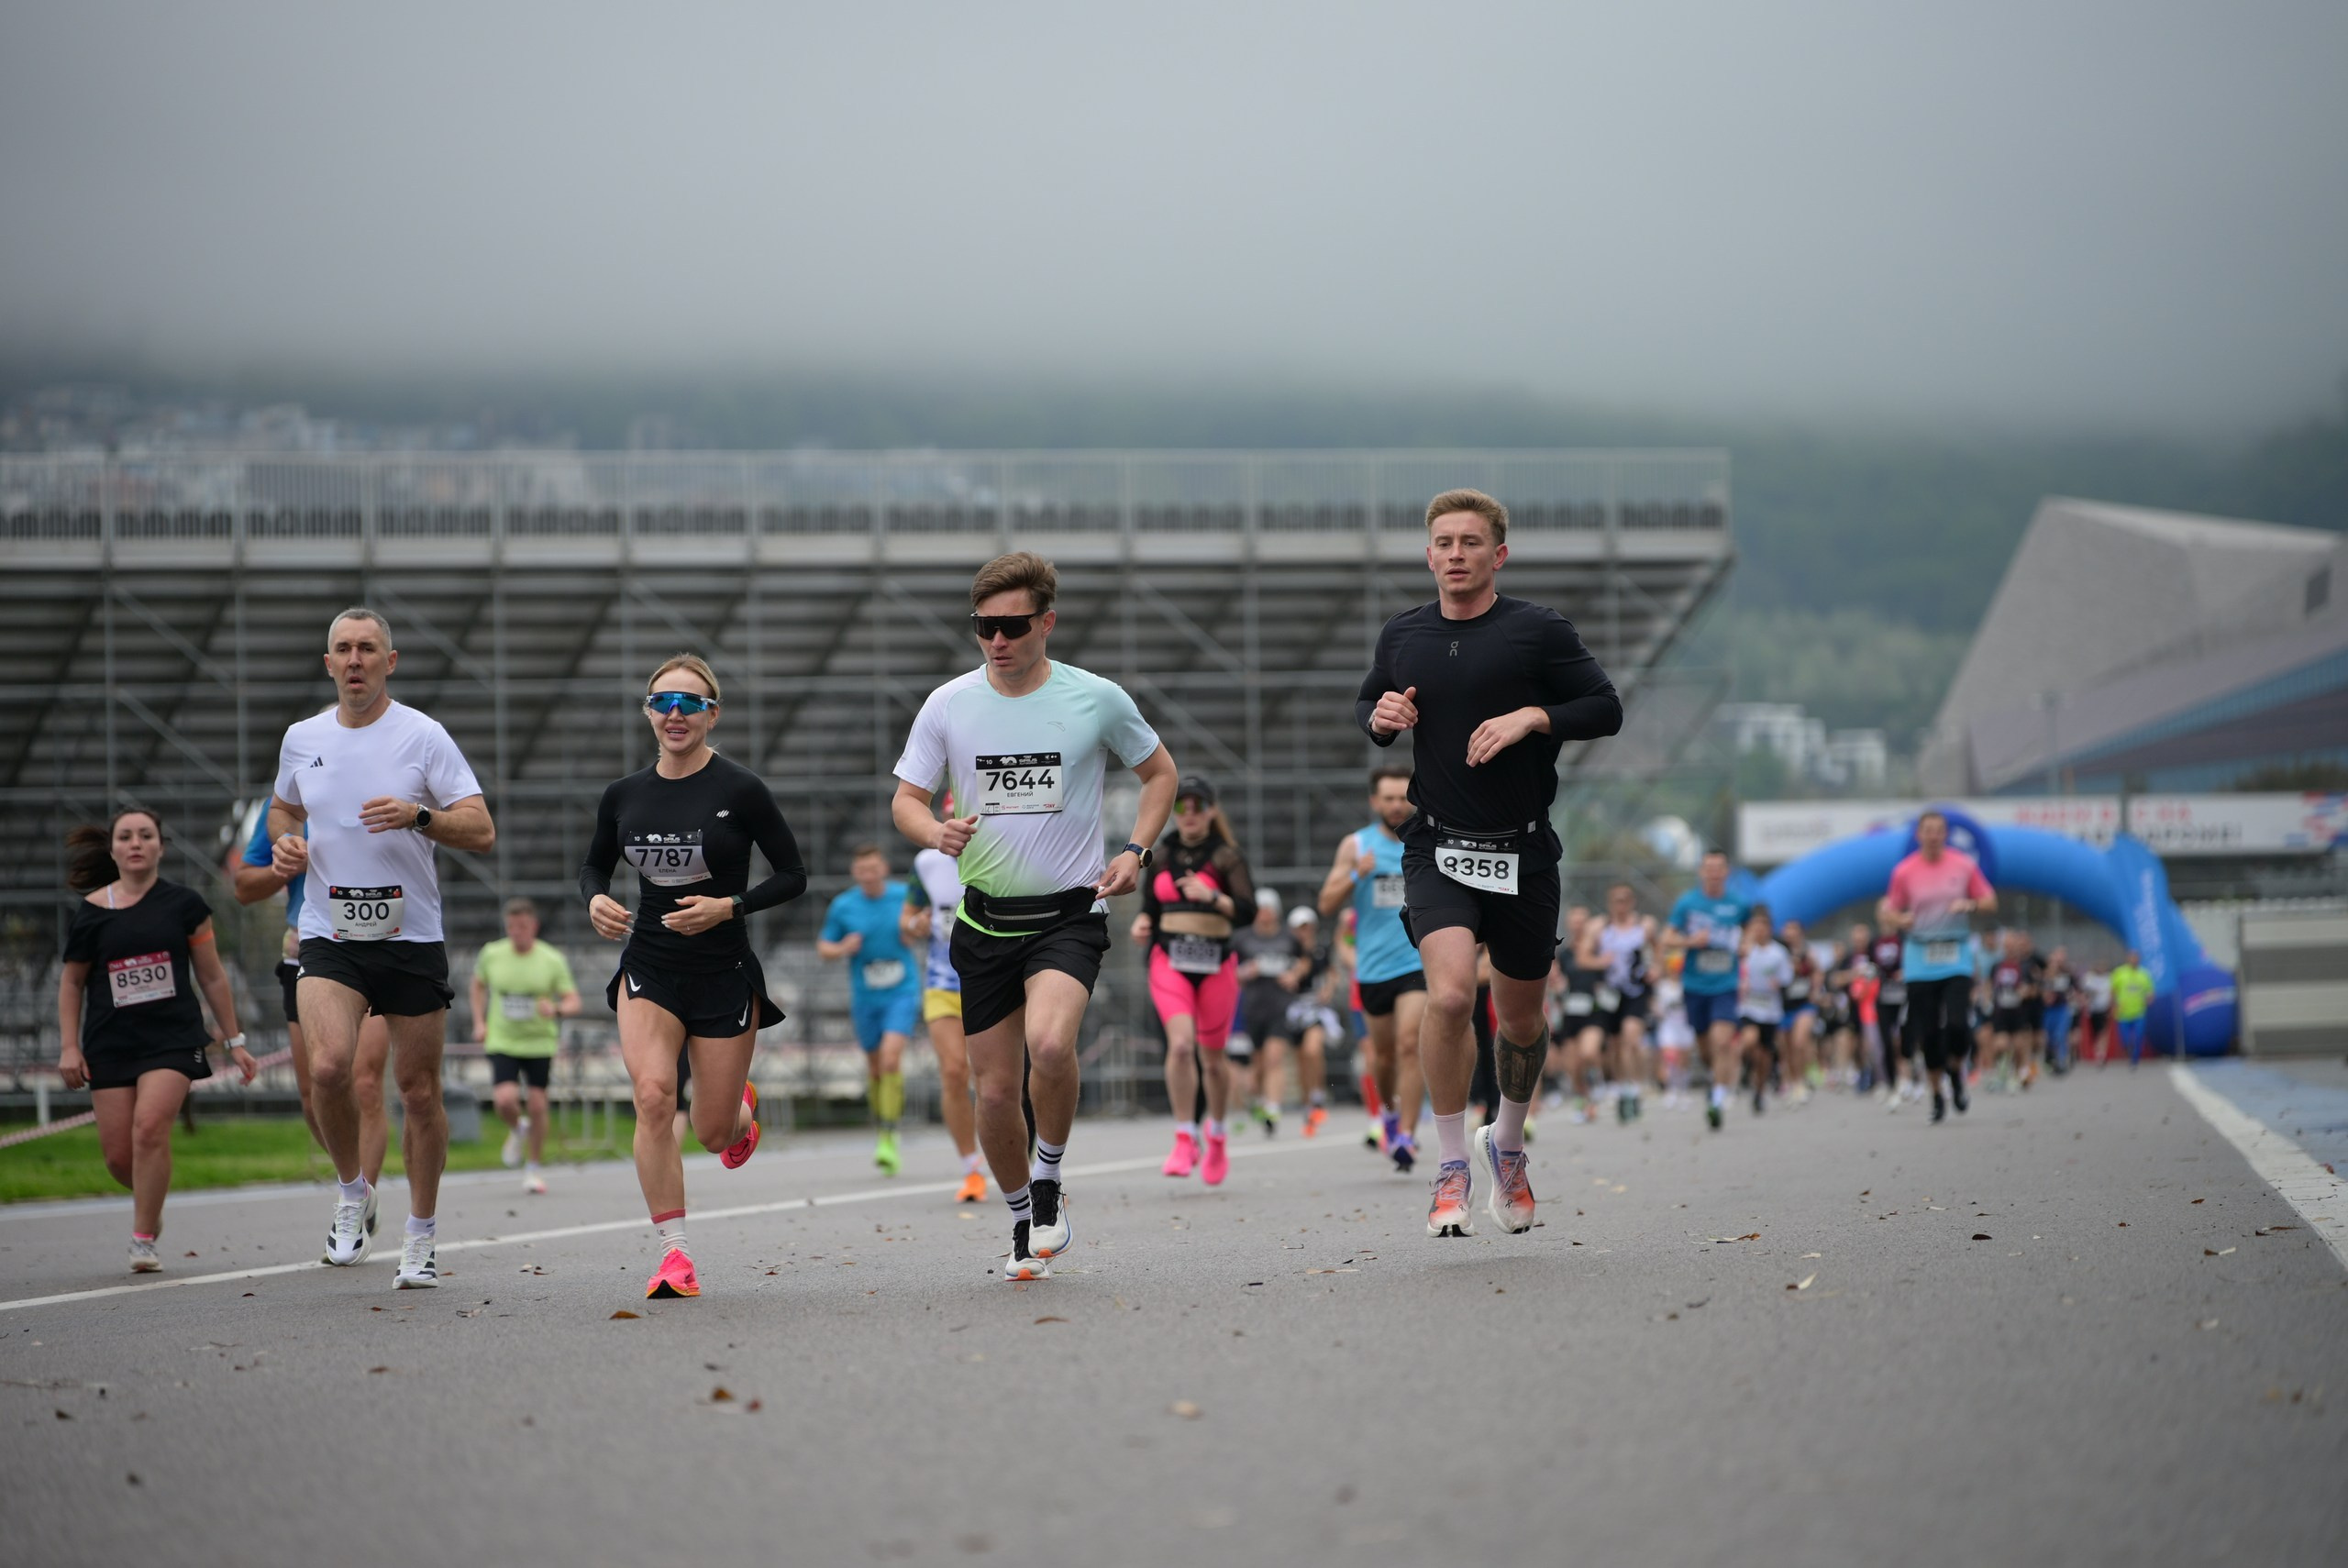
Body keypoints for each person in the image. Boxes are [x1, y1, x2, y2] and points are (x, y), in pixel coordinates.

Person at [892, 551, 1176, 1282]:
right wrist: (936, 833)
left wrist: (1137, 851)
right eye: (984, 626)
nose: (997, 640)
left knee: (1049, 1049)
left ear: (1046, 622)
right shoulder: (948, 703)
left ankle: (1048, 1178)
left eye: (1013, 625)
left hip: (1068, 916)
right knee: (991, 1091)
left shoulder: (1097, 698)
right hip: (984, 922)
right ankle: (1022, 1217)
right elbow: (906, 801)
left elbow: (1160, 774)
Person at [1357, 488, 1623, 1239]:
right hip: (1437, 844)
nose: (1455, 555)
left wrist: (1534, 716)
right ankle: (1450, 1165)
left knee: (1522, 1020)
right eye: (1443, 542)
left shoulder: (1536, 632)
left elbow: (1605, 707)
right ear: (1428, 553)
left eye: (1471, 543)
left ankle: (1506, 1143)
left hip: (1524, 850)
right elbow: (1370, 706)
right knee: (1446, 998)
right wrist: (1380, 718)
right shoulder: (1403, 634)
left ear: (1497, 554)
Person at [270, 607, 494, 1288]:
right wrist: (286, 839)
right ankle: (352, 1193)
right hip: (329, 933)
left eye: (369, 648)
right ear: (329, 663)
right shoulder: (301, 738)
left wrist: (419, 815)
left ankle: (421, 1236)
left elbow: (481, 830)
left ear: (389, 662)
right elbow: (283, 806)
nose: (357, 659)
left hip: (410, 937)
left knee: (417, 1092)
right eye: (344, 648)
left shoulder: (422, 736)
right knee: (330, 1069)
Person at [582, 653, 807, 1299]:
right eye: (663, 703)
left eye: (690, 703)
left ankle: (740, 1113)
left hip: (724, 973)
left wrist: (728, 905)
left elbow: (793, 875)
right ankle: (673, 1255)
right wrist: (594, 899)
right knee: (653, 1097)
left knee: (711, 1132)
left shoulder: (740, 791)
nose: (675, 715)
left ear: (714, 713)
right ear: (648, 713)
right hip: (650, 966)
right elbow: (593, 867)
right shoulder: (624, 794)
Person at [58, 808, 257, 1271]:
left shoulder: (184, 905)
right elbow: (70, 984)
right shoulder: (90, 913)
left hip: (172, 1039)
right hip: (109, 1043)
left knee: (149, 1128)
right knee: (118, 1157)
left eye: (146, 835)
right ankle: (152, 1205)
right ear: (113, 849)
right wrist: (70, 1046)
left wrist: (235, 1040)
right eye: (125, 836)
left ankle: (143, 1238)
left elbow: (212, 978)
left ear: (160, 847)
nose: (136, 843)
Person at [232, 801, 393, 1218]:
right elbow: (244, 886)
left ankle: (357, 1209)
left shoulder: (386, 785)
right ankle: (355, 1183)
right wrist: (284, 867)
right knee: (317, 1088)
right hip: (307, 951)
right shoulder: (283, 805)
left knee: (367, 1083)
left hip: (378, 946)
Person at [1132, 774, 1253, 1185]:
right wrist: (1144, 922)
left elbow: (1248, 911)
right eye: (1181, 807)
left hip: (1217, 963)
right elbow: (1148, 904)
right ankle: (1185, 1136)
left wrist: (1213, 897)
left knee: (1213, 1060)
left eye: (1197, 807)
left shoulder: (1226, 857)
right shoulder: (1161, 854)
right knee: (1181, 1045)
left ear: (1211, 811)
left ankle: (1216, 1135)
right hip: (1170, 960)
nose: (1189, 815)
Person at [1316, 765, 1428, 1171]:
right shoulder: (1356, 845)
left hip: (1415, 961)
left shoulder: (1426, 840)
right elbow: (1326, 905)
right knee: (1381, 1058)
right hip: (1372, 968)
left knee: (1408, 1045)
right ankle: (1389, 1115)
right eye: (1389, 798)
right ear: (1374, 801)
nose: (1397, 805)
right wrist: (1353, 875)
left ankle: (1408, 1136)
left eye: (1403, 797)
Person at [1880, 810, 1996, 1124]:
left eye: (1938, 830)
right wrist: (1899, 918)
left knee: (1958, 1024)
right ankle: (1935, 1093)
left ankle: (1956, 1071)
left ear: (1946, 834)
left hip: (1955, 951)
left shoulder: (1963, 864)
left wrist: (1969, 904)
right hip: (1919, 955)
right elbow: (1889, 909)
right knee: (1927, 1031)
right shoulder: (1904, 871)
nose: (1933, 836)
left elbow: (1989, 900)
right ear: (1918, 835)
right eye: (1927, 830)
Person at [819, 844, 925, 1176]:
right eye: (862, 869)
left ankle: (891, 1134)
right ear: (855, 873)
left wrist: (913, 931)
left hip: (902, 991)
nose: (869, 874)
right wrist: (842, 948)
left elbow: (922, 922)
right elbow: (823, 947)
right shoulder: (844, 905)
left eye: (874, 868)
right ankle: (882, 1126)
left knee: (892, 1057)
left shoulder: (902, 896)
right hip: (866, 996)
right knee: (876, 1067)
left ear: (884, 868)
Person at [471, 897, 581, 1195]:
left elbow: (573, 1001)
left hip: (538, 1042)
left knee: (538, 1104)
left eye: (522, 926)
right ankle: (518, 1127)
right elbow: (477, 985)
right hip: (503, 1039)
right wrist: (480, 1022)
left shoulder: (551, 959)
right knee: (504, 1100)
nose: (516, 932)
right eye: (511, 927)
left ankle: (533, 1168)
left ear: (534, 926)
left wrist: (556, 1009)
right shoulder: (492, 953)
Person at [905, 819, 987, 1203]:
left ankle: (1040, 1172)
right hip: (943, 981)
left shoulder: (1005, 853)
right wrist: (915, 923)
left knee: (1003, 1079)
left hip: (992, 980)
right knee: (955, 1072)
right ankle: (971, 1168)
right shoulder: (927, 862)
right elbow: (906, 923)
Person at [1663, 850, 1752, 1131]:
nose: (1714, 872)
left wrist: (1746, 943)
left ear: (1726, 872)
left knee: (1722, 1040)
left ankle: (1718, 1097)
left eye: (1719, 868)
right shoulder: (1687, 903)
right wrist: (1691, 941)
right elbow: (1667, 938)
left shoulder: (1738, 903)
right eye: (1709, 868)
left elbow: (1750, 928)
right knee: (1706, 1048)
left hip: (1725, 983)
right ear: (1701, 872)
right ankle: (1717, 1079)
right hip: (1695, 985)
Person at [1231, 889, 1306, 1137]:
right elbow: (1228, 969)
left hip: (1280, 1006)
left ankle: (1273, 1108)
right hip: (1252, 1007)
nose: (1264, 913)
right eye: (1260, 908)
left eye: (1269, 908)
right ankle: (1262, 1102)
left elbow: (1304, 960)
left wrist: (1294, 974)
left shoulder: (1288, 938)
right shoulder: (1242, 939)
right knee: (1259, 1064)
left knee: (1275, 1058)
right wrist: (1244, 972)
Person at [1586, 884, 1656, 1121]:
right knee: (1615, 1044)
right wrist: (1600, 962)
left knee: (1631, 1036)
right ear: (1610, 903)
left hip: (1635, 991)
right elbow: (1582, 957)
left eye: (1625, 900)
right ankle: (1620, 1086)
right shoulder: (1599, 927)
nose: (1621, 905)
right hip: (1611, 993)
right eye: (1616, 900)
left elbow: (1659, 949)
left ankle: (1635, 1086)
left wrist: (1657, 969)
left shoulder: (1644, 926)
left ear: (1632, 902)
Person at [1282, 905, 1341, 1136]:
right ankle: (1309, 1103)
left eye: (1307, 927)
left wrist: (1329, 988)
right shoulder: (1287, 951)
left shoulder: (1320, 949)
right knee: (1301, 1058)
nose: (1303, 932)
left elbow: (1332, 973)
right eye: (1299, 928)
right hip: (1293, 1008)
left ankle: (1317, 1095)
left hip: (1315, 1007)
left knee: (1312, 1049)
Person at [1736, 906, 1793, 1116]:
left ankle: (1759, 1091)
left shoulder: (1778, 953)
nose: (1759, 931)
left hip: (1770, 1009)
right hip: (1749, 1006)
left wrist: (1778, 983)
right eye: (1755, 928)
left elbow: (1787, 978)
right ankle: (1744, 1069)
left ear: (1769, 929)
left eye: (1763, 927)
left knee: (1764, 1055)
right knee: (1749, 1040)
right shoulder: (1745, 950)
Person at [2110, 950, 2154, 1066]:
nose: (2134, 960)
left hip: (2139, 1011)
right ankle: (2128, 1049)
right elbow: (2113, 990)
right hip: (2123, 1011)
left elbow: (2150, 991)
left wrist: (2149, 999)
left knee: (2139, 1036)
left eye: (2136, 958)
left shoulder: (2144, 974)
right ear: (2128, 959)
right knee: (2124, 1039)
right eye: (2132, 958)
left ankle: (2135, 1058)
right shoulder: (2120, 972)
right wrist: (2114, 1004)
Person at [2041, 945, 2077, 1075]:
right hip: (2048, 1010)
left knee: (2060, 1035)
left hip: (2062, 1009)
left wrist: (2074, 998)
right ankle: (2050, 1059)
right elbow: (2043, 993)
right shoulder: (2045, 974)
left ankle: (2062, 1061)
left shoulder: (2067, 974)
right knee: (2049, 1037)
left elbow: (2075, 989)